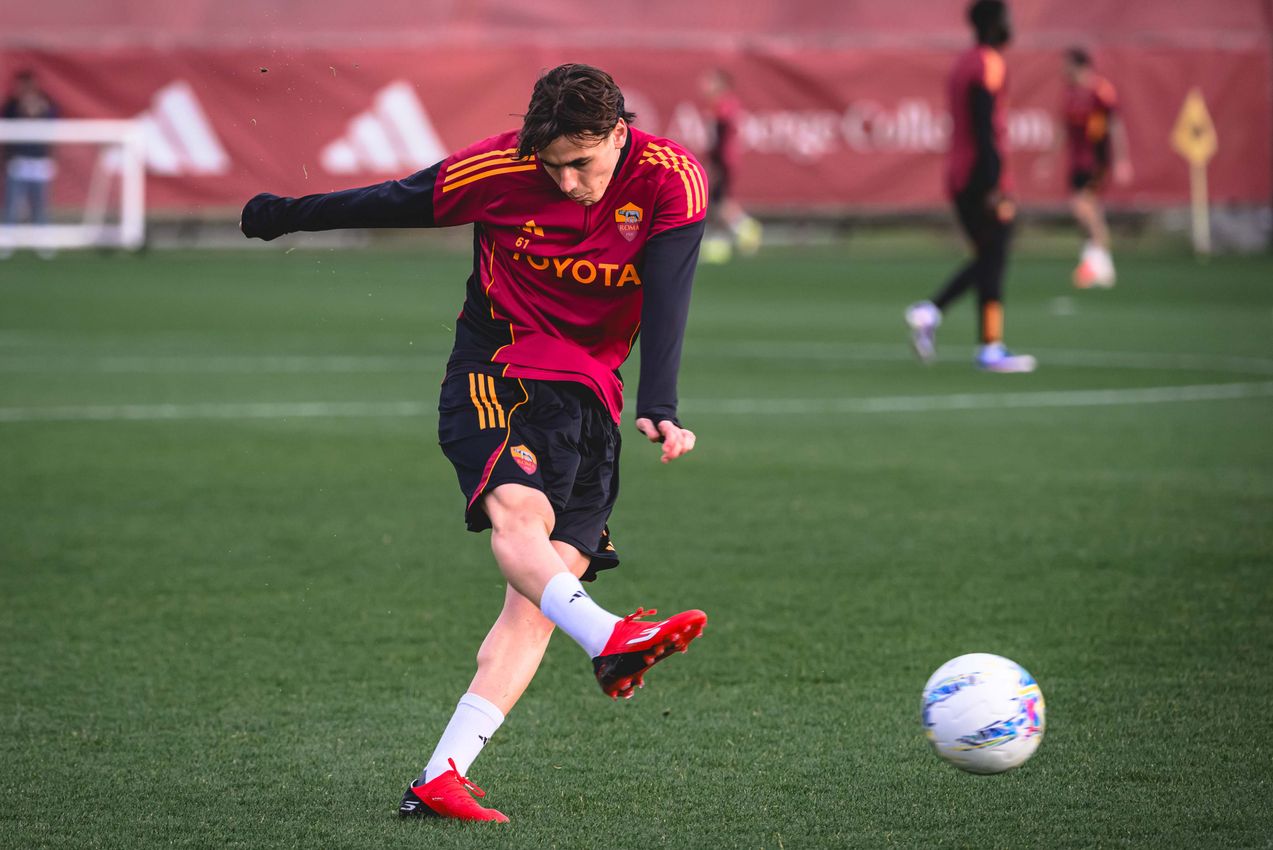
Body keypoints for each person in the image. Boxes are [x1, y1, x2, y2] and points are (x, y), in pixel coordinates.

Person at [240, 63, 708, 823]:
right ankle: (609, 637)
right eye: (551, 166)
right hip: (500, 373)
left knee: (533, 605)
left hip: (593, 400)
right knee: (520, 521)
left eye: (581, 164)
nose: (565, 183)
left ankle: (440, 777)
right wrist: (286, 213)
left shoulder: (669, 179)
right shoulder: (499, 169)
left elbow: (668, 288)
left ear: (621, 134)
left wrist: (658, 403)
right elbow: (392, 201)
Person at [906, 0, 1036, 373]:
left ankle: (940, 318)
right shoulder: (987, 63)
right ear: (994, 24)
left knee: (989, 255)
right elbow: (983, 126)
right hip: (980, 174)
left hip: (961, 172)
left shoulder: (964, 62)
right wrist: (994, 181)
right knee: (994, 255)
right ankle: (983, 343)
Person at [1061, 47, 1131, 288]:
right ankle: (1094, 262)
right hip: (1077, 163)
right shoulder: (1070, 94)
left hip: (1097, 161)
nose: (1064, 70)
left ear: (1081, 66)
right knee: (1085, 213)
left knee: (1084, 208)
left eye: (1068, 65)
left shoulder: (1101, 91)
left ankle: (1102, 263)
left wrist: (1121, 159)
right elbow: (1064, 129)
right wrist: (1049, 157)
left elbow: (1115, 125)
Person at [698, 67, 761, 263]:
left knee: (720, 202)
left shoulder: (723, 105)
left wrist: (715, 163)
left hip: (724, 160)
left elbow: (721, 137)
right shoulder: (721, 105)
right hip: (725, 159)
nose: (705, 86)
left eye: (710, 81)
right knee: (718, 201)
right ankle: (719, 242)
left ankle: (747, 229)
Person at [2, 69, 59, 259]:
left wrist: (38, 110)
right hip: (18, 161)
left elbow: (55, 121)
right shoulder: (11, 106)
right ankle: (6, 241)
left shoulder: (46, 103)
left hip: (39, 162)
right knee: (11, 205)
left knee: (40, 205)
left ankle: (42, 241)